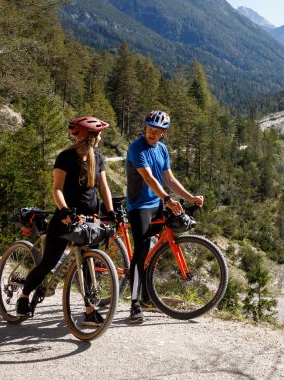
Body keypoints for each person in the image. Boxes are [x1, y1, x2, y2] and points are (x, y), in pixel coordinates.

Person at [16, 115, 115, 327]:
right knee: (48, 263)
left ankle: (90, 310)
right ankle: (24, 295)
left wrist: (111, 211)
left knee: (88, 263)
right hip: (67, 217)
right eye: (98, 134)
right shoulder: (65, 157)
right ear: (89, 136)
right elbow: (57, 189)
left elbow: (103, 188)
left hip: (90, 218)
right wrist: (64, 210)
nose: (100, 137)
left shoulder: (98, 158)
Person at [126, 109, 204, 323]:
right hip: (139, 206)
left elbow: (169, 178)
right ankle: (134, 304)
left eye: (157, 130)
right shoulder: (136, 147)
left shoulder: (162, 149)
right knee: (141, 251)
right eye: (150, 128)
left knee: (153, 247)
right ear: (145, 127)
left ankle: (146, 295)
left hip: (156, 204)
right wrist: (168, 199)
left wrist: (190, 197)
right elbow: (149, 178)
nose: (152, 133)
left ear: (164, 133)